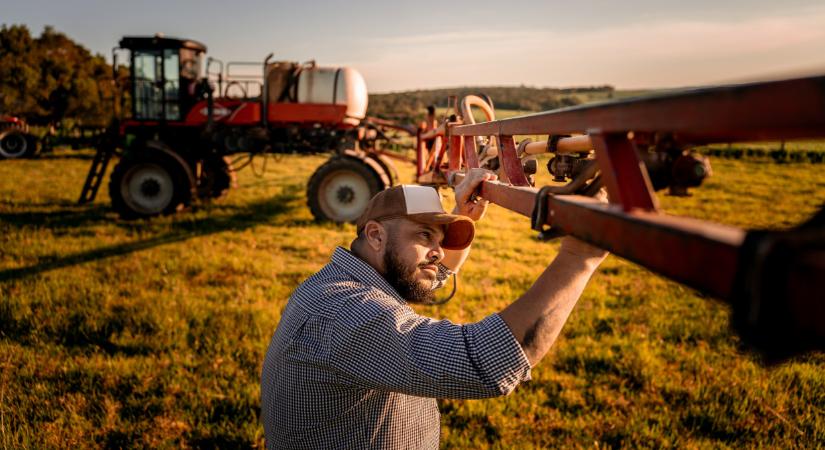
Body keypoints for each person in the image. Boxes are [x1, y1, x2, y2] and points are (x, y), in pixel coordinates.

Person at [260, 169, 608, 449]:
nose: (439, 253)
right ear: (376, 236)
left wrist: (463, 216)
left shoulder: (343, 282)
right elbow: (485, 362)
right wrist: (579, 257)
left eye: (440, 241)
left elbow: (424, 276)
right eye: (425, 235)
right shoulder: (349, 314)